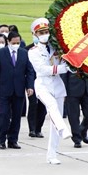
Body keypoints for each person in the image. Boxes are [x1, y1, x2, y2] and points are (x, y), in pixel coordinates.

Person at [29, 17, 72, 165]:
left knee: (56, 117)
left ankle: (52, 154)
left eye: (46, 31)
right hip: (43, 85)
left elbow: (64, 61)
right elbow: (42, 69)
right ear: (35, 35)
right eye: (41, 32)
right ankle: (63, 128)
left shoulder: (56, 48)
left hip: (57, 85)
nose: (44, 34)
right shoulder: (33, 51)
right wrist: (62, 68)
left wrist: (69, 63)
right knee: (52, 107)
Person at [0, 31, 35, 150]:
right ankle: (1, 139)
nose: (16, 44)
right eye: (13, 42)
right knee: (4, 115)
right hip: (4, 90)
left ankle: (13, 140)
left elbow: (29, 71)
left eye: (18, 42)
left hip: (19, 90)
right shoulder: (0, 53)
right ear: (8, 42)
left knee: (16, 117)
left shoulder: (24, 53)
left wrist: (29, 86)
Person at [62, 69, 88, 149]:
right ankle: (77, 139)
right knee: (73, 116)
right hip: (72, 89)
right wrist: (63, 91)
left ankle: (83, 131)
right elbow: (64, 73)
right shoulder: (68, 56)